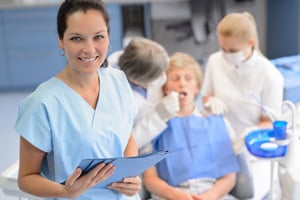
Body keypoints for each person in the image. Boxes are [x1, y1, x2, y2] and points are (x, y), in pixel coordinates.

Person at [15, 0, 142, 199]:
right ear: (60, 40)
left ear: (108, 36)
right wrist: (64, 191)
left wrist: (130, 177)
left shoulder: (118, 81)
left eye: (98, 37)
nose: (89, 49)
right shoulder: (42, 103)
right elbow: (26, 177)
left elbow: (127, 138)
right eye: (76, 38)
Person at [143, 52, 240, 200]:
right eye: (175, 79)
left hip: (212, 194)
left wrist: (210, 196)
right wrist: (176, 195)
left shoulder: (216, 123)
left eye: (188, 78)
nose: (182, 83)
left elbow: (229, 176)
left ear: (196, 87)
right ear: (166, 88)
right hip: (170, 195)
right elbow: (150, 180)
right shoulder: (153, 126)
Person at [201, 12, 284, 137]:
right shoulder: (215, 60)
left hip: (250, 144)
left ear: (250, 43)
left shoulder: (270, 75)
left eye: (233, 51)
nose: (226, 55)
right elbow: (205, 97)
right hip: (217, 136)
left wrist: (252, 133)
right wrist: (210, 102)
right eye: (223, 49)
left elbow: (269, 122)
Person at [108, 37, 180, 150]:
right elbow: (122, 146)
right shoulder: (114, 99)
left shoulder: (134, 58)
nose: (163, 76)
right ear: (136, 81)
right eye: (159, 74)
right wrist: (157, 117)